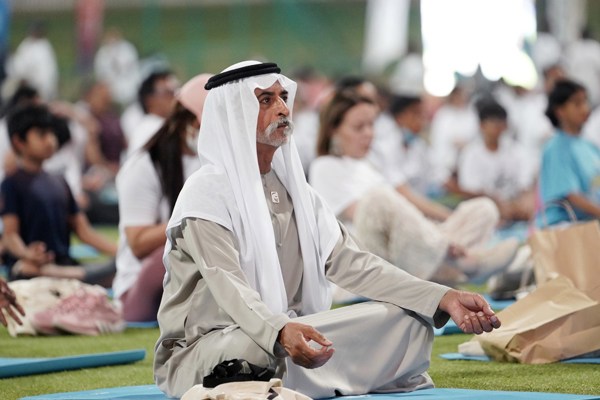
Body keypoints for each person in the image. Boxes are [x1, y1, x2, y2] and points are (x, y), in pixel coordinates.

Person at [153, 61, 502, 399]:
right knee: (258, 349)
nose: (282, 109)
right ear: (235, 114)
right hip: (209, 346)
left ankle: (296, 377)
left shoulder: (300, 195)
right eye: (266, 100)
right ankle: (334, 372)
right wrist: (279, 331)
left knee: (409, 320)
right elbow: (228, 285)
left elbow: (354, 263)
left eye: (282, 98)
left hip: (293, 330)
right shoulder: (207, 193)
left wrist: (441, 296)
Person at [310, 90, 518, 284]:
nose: (369, 134)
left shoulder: (372, 162)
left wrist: (438, 227)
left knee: (483, 209)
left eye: (371, 125)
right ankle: (463, 264)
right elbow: (369, 215)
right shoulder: (324, 166)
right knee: (378, 200)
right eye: (359, 127)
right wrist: (434, 236)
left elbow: (406, 201)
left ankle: (446, 266)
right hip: (367, 255)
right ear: (333, 130)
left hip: (411, 242)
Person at [114, 73, 211, 322]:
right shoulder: (144, 165)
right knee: (186, 243)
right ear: (184, 121)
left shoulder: (207, 160)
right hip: (140, 285)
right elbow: (137, 243)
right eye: (206, 124)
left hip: (187, 280)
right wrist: (192, 218)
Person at [0, 104, 117, 285]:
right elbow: (10, 236)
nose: (51, 140)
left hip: (63, 265)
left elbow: (84, 231)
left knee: (119, 269)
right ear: (18, 142)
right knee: (27, 268)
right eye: (41, 135)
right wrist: (26, 253)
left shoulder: (60, 181)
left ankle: (76, 275)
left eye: (51, 133)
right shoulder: (12, 183)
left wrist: (122, 252)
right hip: (32, 266)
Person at [457, 99, 536, 222]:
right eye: (493, 123)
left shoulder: (517, 151)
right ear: (481, 125)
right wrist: (497, 204)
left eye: (501, 123)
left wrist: (523, 202)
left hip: (514, 211)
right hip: (485, 212)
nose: (498, 128)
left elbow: (525, 186)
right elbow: (470, 191)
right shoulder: (471, 154)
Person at [539, 79, 600, 225]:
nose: (585, 108)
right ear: (560, 111)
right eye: (577, 104)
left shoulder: (589, 146)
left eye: (585, 102)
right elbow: (571, 196)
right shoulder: (556, 148)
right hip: (566, 226)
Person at [123, 70, 179, 158]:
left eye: (174, 92)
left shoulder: (161, 125)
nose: (174, 97)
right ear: (149, 100)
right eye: (167, 93)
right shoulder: (151, 130)